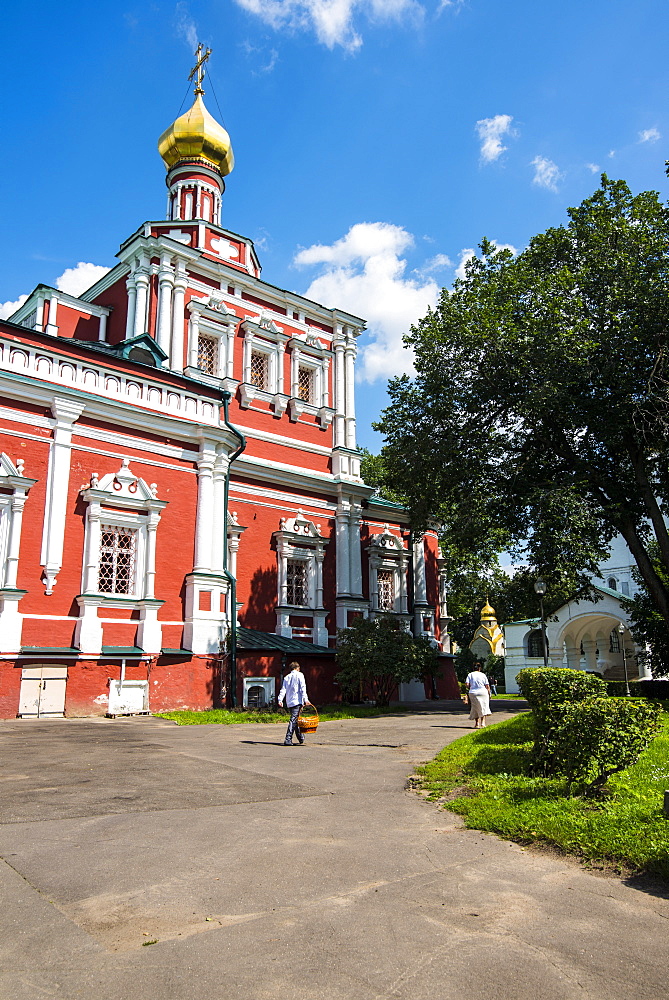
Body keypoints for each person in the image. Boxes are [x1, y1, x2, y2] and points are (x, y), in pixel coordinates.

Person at [278, 661, 311, 745]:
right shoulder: (300, 675)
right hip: (297, 700)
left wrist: (280, 700)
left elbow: (283, 689)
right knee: (294, 719)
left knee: (296, 719)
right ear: (298, 668)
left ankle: (300, 737)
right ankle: (288, 738)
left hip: (290, 701)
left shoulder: (286, 677)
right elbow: (303, 688)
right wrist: (306, 699)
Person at [465, 662, 492, 729]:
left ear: (473, 668)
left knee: (475, 707)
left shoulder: (470, 675)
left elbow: (467, 684)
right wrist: (489, 694)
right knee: (484, 707)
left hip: (473, 693)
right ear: (480, 668)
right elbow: (487, 686)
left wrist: (471, 687)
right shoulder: (483, 675)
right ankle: (483, 723)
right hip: (483, 692)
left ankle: (477, 723)